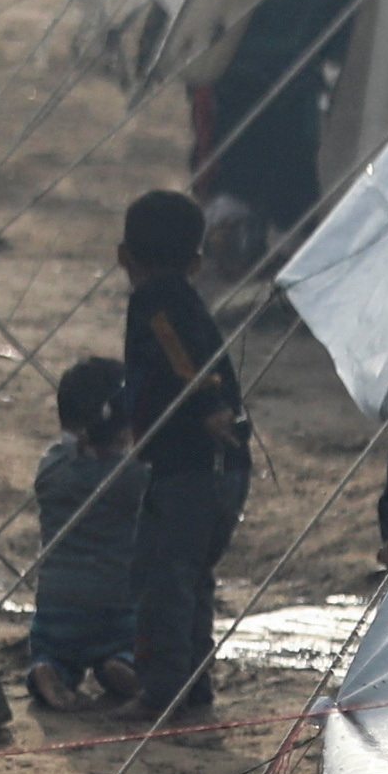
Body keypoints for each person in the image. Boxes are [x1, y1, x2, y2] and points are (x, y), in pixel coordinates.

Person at [115, 189, 252, 732]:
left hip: (194, 466)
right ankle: (191, 687)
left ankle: (163, 693)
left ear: (123, 256)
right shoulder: (186, 298)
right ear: (197, 262)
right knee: (190, 578)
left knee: (163, 577)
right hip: (218, 468)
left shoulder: (155, 301)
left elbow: (182, 357)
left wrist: (208, 406)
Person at [25, 354, 145, 715]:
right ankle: (121, 664)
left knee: (54, 648)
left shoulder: (51, 466)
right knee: (132, 640)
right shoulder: (132, 476)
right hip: (115, 599)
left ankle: (50, 670)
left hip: (57, 600)